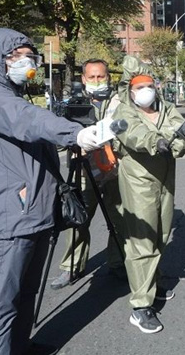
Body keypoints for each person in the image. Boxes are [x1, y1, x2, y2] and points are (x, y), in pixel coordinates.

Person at [0, 28, 101, 354]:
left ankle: (20, 347)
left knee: (26, 293)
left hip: (35, 213)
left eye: (30, 55)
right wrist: (75, 134)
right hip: (9, 219)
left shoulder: (12, 97)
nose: (27, 62)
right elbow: (27, 120)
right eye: (18, 56)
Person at [112, 55, 185, 334]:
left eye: (148, 84)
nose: (144, 90)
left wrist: (182, 139)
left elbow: (179, 133)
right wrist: (156, 141)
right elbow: (132, 135)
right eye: (138, 86)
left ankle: (152, 283)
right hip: (138, 180)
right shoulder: (123, 112)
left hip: (165, 179)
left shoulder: (167, 108)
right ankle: (140, 305)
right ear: (129, 90)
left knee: (162, 234)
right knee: (142, 241)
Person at [50, 59, 127, 290]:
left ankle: (118, 263)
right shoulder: (72, 103)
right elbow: (58, 140)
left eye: (101, 77)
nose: (96, 81)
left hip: (115, 171)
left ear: (108, 77)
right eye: (91, 77)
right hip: (83, 171)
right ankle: (71, 267)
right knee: (77, 221)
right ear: (83, 79)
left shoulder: (121, 102)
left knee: (119, 220)